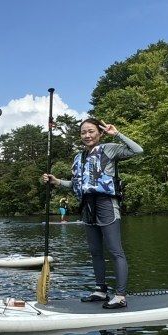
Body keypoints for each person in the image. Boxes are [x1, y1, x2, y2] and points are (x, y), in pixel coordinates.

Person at [42, 118, 143, 309]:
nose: (87, 135)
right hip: (87, 206)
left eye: (91, 131)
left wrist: (118, 134)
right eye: (83, 132)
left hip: (106, 204)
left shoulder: (109, 149)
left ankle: (120, 296)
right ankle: (100, 290)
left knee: (115, 251)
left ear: (100, 133)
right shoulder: (78, 157)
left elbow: (138, 150)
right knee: (95, 251)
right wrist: (57, 182)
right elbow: (76, 184)